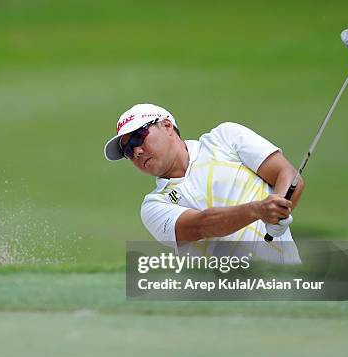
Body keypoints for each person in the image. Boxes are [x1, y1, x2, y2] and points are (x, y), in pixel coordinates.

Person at [103, 103, 304, 263]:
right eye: (127, 151)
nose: (136, 151)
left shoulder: (225, 138)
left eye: (138, 137)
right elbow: (203, 225)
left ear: (166, 126)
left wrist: (279, 209)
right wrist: (259, 210)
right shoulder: (154, 206)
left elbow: (286, 174)